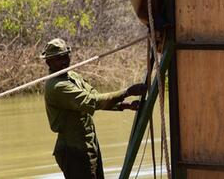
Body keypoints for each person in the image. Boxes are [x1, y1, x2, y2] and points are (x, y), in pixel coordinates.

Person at [41, 38, 147, 179]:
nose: (64, 62)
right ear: (49, 62)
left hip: (89, 143)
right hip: (74, 150)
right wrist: (126, 92)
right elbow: (92, 101)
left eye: (66, 56)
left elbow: (94, 96)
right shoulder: (56, 86)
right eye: (59, 59)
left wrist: (124, 105)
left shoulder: (72, 76)